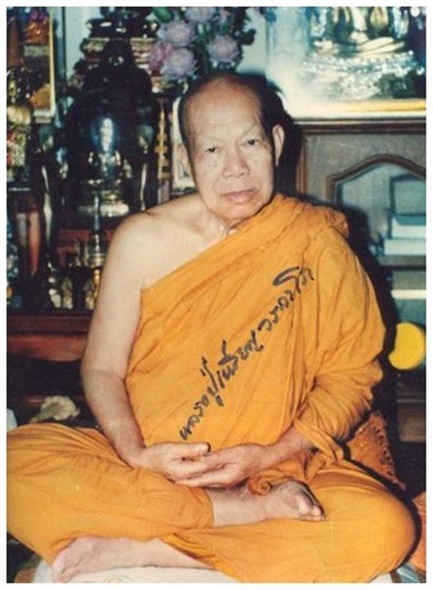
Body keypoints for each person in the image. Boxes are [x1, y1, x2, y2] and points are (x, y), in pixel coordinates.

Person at [7, 72, 416, 583]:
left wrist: (269, 455)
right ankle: (240, 517)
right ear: (186, 160)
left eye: (250, 143)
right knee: (10, 467)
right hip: (150, 467)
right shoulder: (142, 240)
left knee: (386, 529)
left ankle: (157, 547)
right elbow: (103, 368)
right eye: (213, 150)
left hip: (278, 470)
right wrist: (137, 454)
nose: (236, 168)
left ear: (276, 143)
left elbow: (351, 378)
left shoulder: (315, 242)